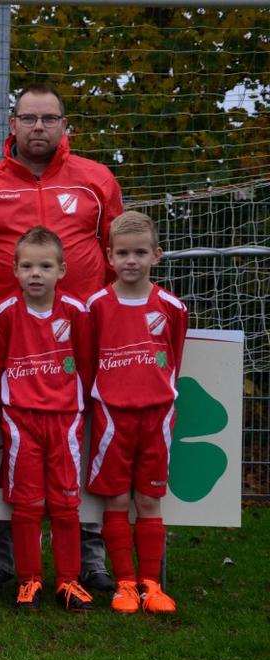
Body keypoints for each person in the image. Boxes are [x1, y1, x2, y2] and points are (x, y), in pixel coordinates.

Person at [0, 83, 123, 592]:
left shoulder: (96, 180)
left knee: (81, 440)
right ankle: (0, 554)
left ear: (65, 125)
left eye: (50, 119)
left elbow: (114, 253)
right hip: (8, 338)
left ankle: (89, 556)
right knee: (9, 439)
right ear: (12, 125)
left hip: (77, 338)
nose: (39, 127)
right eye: (29, 118)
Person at [85, 211, 187, 614]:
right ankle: (124, 584)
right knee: (115, 500)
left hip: (157, 416)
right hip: (113, 416)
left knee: (148, 500)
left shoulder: (172, 307)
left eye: (140, 252)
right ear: (109, 256)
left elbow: (175, 359)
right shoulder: (95, 306)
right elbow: (87, 356)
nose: (131, 261)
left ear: (156, 255)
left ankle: (152, 585)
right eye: (123, 253)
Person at [0, 227, 95, 611]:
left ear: (61, 270)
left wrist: (72, 402)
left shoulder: (77, 312)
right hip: (21, 420)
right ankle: (29, 581)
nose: (36, 273)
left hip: (65, 419)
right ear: (15, 270)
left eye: (45, 266)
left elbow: (85, 363)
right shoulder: (3, 313)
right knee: (28, 504)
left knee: (67, 503)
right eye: (28, 266)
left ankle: (68, 581)